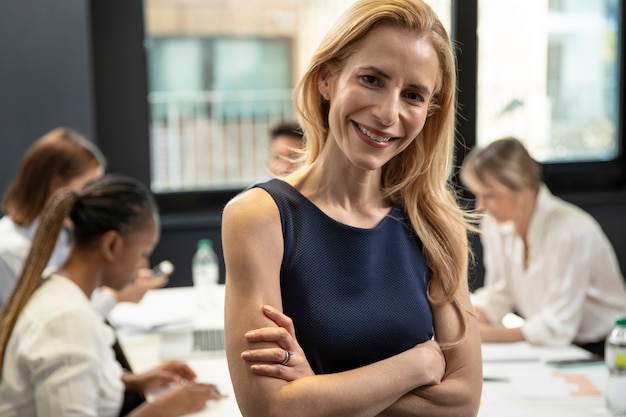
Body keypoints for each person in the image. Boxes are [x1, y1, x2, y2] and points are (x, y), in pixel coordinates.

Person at [221, 1, 483, 416]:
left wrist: (315, 391)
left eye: (413, 95)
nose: (387, 113)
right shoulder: (259, 216)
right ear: (327, 79)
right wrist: (419, 364)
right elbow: (270, 410)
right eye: (372, 79)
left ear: (429, 111)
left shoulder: (434, 221)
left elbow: (463, 402)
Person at [0, 174, 222, 416]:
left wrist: (134, 381)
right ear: (111, 245)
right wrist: (160, 410)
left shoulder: (60, 291)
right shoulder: (67, 320)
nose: (144, 264)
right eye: (143, 252)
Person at [460, 137, 626, 357]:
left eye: (490, 195)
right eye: (477, 195)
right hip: (553, 348)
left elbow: (558, 326)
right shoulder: (495, 224)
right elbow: (502, 291)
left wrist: (485, 334)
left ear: (522, 183)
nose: (481, 207)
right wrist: (470, 316)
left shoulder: (573, 230)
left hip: (603, 349)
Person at [0, 127, 167, 314]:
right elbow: (55, 323)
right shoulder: (9, 250)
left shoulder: (62, 238)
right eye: (89, 186)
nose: (94, 198)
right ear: (57, 184)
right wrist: (116, 297)